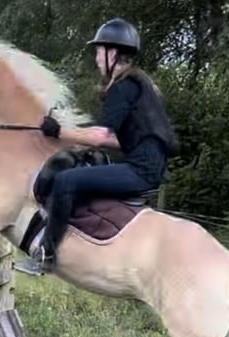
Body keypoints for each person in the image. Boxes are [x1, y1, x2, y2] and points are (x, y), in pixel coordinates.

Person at [15, 17, 178, 276]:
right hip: (148, 167)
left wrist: (58, 131)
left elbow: (102, 137)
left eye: (99, 52)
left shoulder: (123, 88)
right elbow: (117, 141)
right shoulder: (140, 85)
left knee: (65, 181)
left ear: (112, 52)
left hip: (140, 171)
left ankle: (46, 255)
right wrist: (74, 139)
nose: (97, 59)